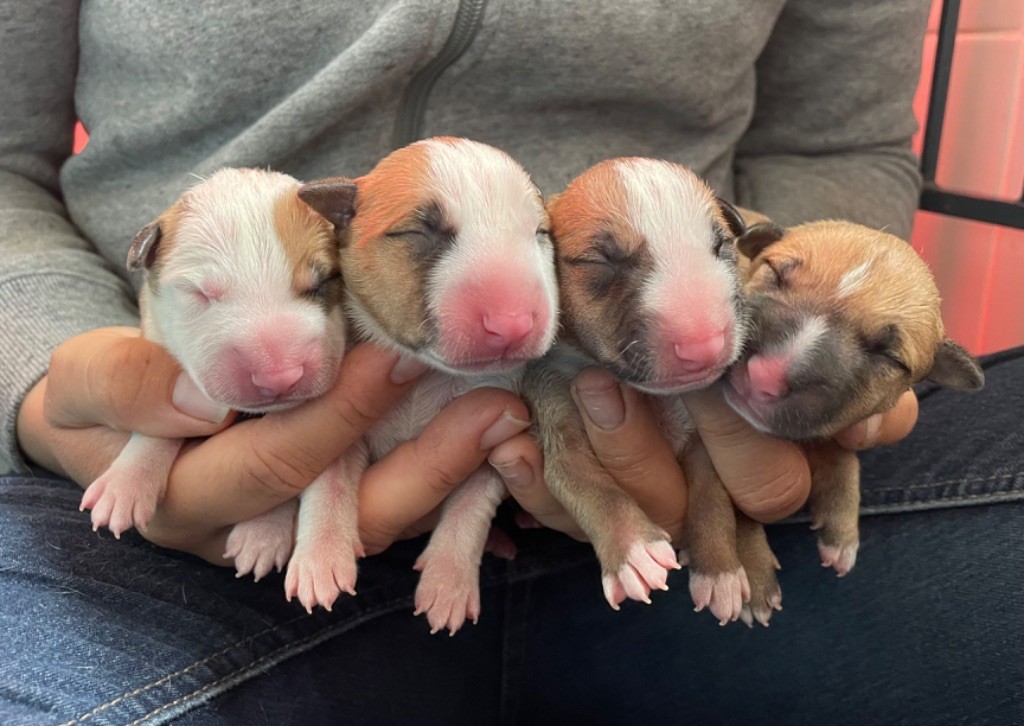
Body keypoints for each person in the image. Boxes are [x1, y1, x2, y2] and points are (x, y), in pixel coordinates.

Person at [2, 1, 1019, 724]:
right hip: (165, 506)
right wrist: (48, 391)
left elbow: (837, 143)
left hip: (672, 457)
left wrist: (822, 352)